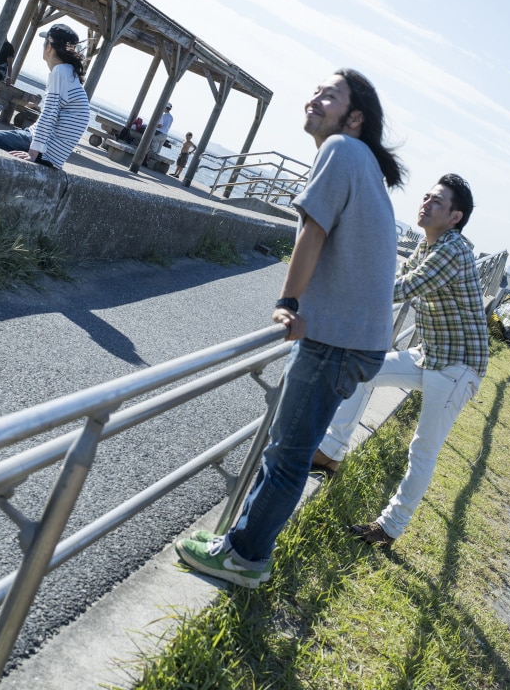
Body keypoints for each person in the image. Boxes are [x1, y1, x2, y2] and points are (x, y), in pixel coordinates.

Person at [175, 69, 405, 588]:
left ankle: (247, 558)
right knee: (287, 448)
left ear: (355, 117)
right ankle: (239, 542)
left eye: (330, 95)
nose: (315, 99)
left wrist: (287, 300)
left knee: (287, 454)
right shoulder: (361, 161)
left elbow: (313, 231)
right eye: (316, 91)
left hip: (337, 342)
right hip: (355, 340)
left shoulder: (343, 151)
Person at [314, 174, 489, 548]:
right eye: (426, 196)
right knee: (363, 373)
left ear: (455, 217)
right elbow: (395, 281)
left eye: (436, 201)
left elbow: (405, 288)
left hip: (458, 367)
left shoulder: (453, 250)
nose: (425, 203)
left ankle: (389, 527)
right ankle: (331, 452)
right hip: (431, 356)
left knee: (423, 447)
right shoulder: (428, 245)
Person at [0, 23, 89, 170]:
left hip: (40, 147)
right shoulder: (70, 74)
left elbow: (50, 113)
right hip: (53, 154)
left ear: (49, 46)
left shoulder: (60, 72)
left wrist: (33, 153)